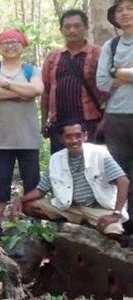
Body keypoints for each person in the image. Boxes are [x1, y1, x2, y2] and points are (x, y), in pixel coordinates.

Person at [0, 29, 44, 240]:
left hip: (28, 136)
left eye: (15, 41)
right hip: (0, 137)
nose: (10, 45)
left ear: (23, 45)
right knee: (1, 181)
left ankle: (36, 223)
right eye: (5, 42)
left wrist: (6, 84)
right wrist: (20, 93)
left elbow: (36, 90)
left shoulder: (31, 69)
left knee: (32, 181)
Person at [12, 121, 129, 236]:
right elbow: (41, 190)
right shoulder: (56, 159)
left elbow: (123, 181)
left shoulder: (100, 154)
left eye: (78, 136)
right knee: (29, 207)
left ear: (85, 136)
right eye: (68, 137)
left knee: (113, 230)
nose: (74, 140)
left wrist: (116, 213)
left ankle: (89, 226)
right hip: (70, 207)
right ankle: (73, 225)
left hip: (98, 208)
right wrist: (20, 199)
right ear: (61, 139)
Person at [41, 9, 108, 154]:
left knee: (92, 167)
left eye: (77, 26)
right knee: (61, 166)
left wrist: (105, 120)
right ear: (61, 30)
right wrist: (44, 122)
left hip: (90, 122)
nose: (72, 30)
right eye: (67, 26)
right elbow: (46, 91)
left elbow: (109, 90)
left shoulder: (98, 53)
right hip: (59, 123)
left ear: (85, 27)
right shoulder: (53, 57)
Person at [96, 0, 133, 235]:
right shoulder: (111, 46)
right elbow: (101, 81)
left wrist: (118, 72)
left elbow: (110, 76)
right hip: (117, 117)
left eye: (130, 8)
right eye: (120, 10)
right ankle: (126, 226)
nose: (125, 13)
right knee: (121, 174)